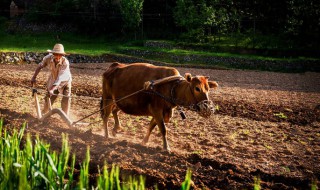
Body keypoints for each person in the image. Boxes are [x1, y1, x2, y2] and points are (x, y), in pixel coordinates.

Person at [31, 43, 72, 116]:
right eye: (56, 54)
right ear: (53, 54)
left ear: (63, 55)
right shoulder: (47, 58)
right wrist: (34, 77)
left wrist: (52, 89)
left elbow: (60, 78)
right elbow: (40, 66)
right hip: (53, 79)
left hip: (65, 82)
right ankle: (45, 113)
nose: (58, 56)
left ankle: (65, 116)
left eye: (60, 55)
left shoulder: (65, 63)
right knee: (49, 97)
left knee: (66, 98)